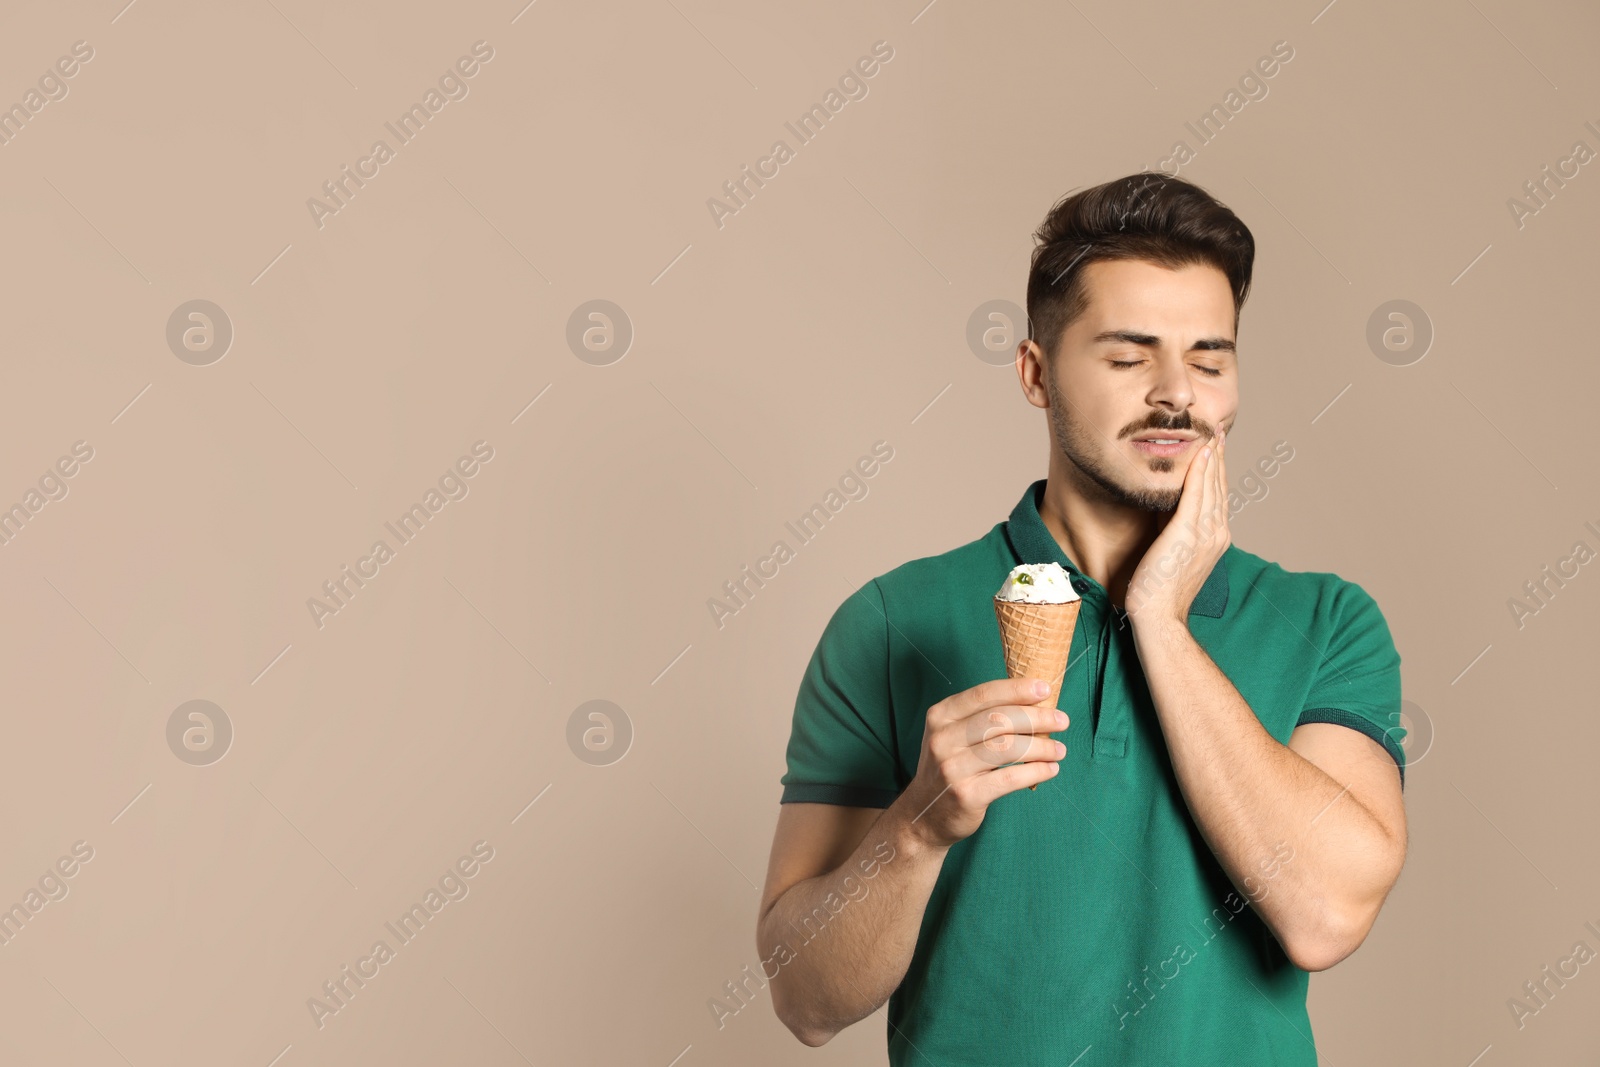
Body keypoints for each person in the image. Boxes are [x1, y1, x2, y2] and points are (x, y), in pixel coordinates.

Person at [756, 173, 1408, 1065]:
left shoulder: (1328, 621)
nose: (1177, 393)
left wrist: (1161, 621)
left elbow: (1327, 916)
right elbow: (804, 999)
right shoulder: (891, 621)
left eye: (1210, 360)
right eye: (1129, 356)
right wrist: (915, 829)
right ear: (1035, 372)